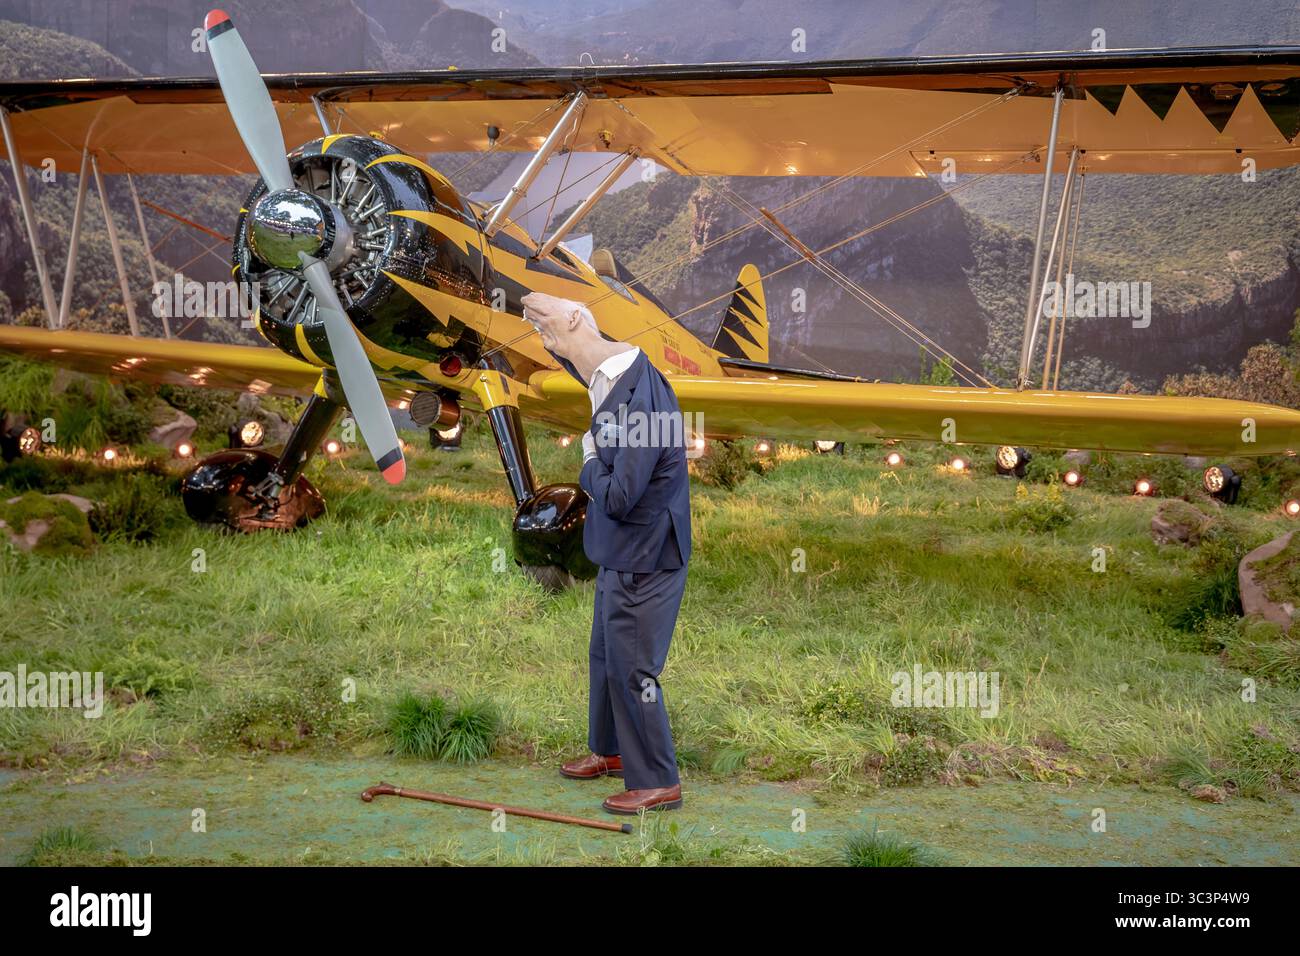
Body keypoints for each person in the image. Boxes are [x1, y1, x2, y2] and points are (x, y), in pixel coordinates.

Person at [521, 291, 692, 815]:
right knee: (604, 658)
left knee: (633, 668)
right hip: (620, 550)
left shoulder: (643, 399)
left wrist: (588, 461)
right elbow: (558, 341)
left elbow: (618, 496)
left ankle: (659, 780)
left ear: (576, 317)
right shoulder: (601, 374)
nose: (543, 338)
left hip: (646, 554)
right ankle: (613, 753)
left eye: (549, 325)